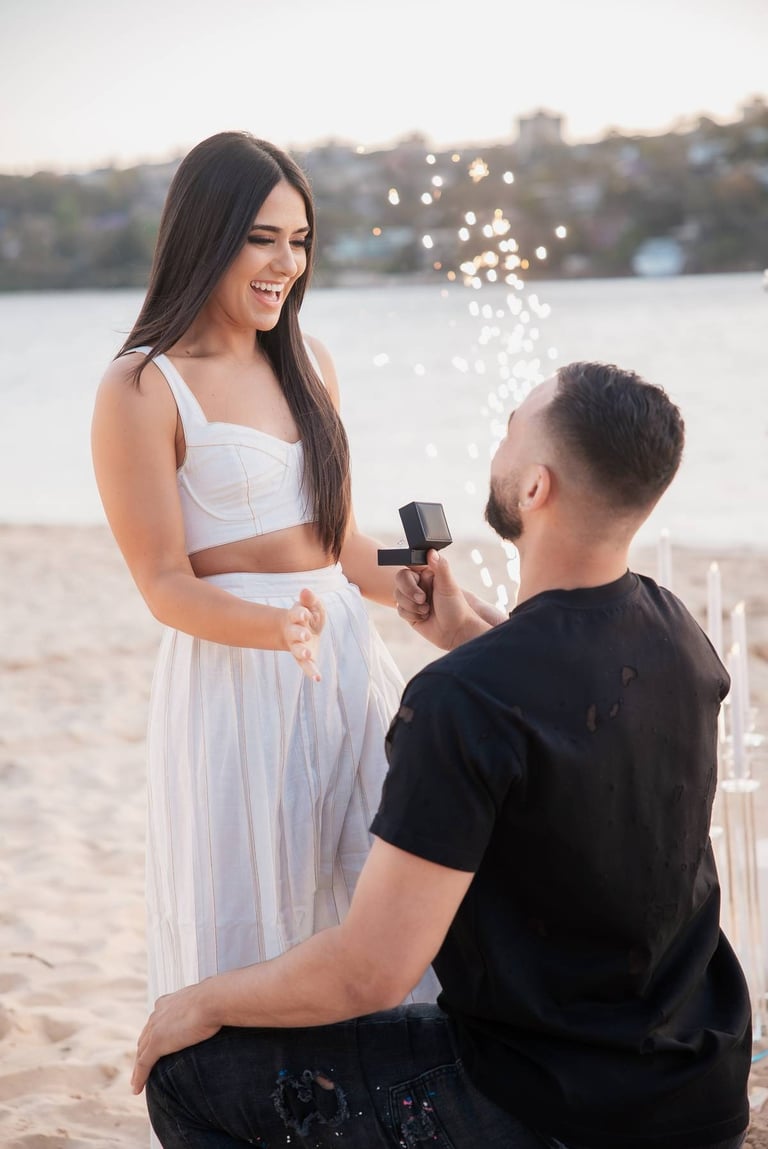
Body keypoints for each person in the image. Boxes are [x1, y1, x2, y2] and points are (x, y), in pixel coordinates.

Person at [130, 361, 751, 1149]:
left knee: (189, 1076)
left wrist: (203, 1001)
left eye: (510, 429)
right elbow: (578, 719)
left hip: (547, 1107)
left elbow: (370, 972)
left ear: (535, 489)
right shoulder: (674, 630)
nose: (498, 440)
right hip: (698, 1091)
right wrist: (464, 636)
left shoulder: (460, 701)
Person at [90, 130, 442, 1020]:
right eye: (261, 238)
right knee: (255, 913)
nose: (285, 263)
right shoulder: (142, 385)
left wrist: (408, 573)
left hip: (348, 666)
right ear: (205, 235)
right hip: (238, 680)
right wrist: (270, 628)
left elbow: (340, 544)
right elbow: (163, 581)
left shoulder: (311, 363)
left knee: (380, 896)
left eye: (300, 240)